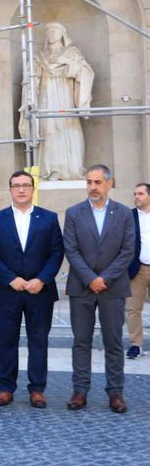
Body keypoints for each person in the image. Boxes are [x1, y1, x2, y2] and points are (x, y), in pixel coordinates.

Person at [0, 170, 65, 408]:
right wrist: (10, 279)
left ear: (33, 188)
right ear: (10, 189)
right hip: (8, 291)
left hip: (40, 291)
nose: (21, 189)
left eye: (25, 185)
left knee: (38, 340)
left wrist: (42, 279)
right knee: (7, 340)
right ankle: (6, 388)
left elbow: (56, 252)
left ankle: (37, 389)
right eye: (16, 185)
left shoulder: (48, 218)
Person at [63, 164, 135, 413]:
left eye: (97, 182)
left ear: (109, 183)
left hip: (113, 288)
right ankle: (79, 391)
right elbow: (70, 249)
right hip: (81, 287)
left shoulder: (124, 214)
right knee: (80, 341)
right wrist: (90, 278)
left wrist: (104, 278)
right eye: (89, 182)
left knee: (113, 342)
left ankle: (115, 393)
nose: (92, 187)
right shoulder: (73, 213)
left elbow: (127, 251)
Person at [124, 182, 150, 360]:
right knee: (133, 308)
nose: (136, 197)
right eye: (134, 194)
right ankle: (136, 344)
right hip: (137, 268)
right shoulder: (128, 216)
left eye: (140, 194)